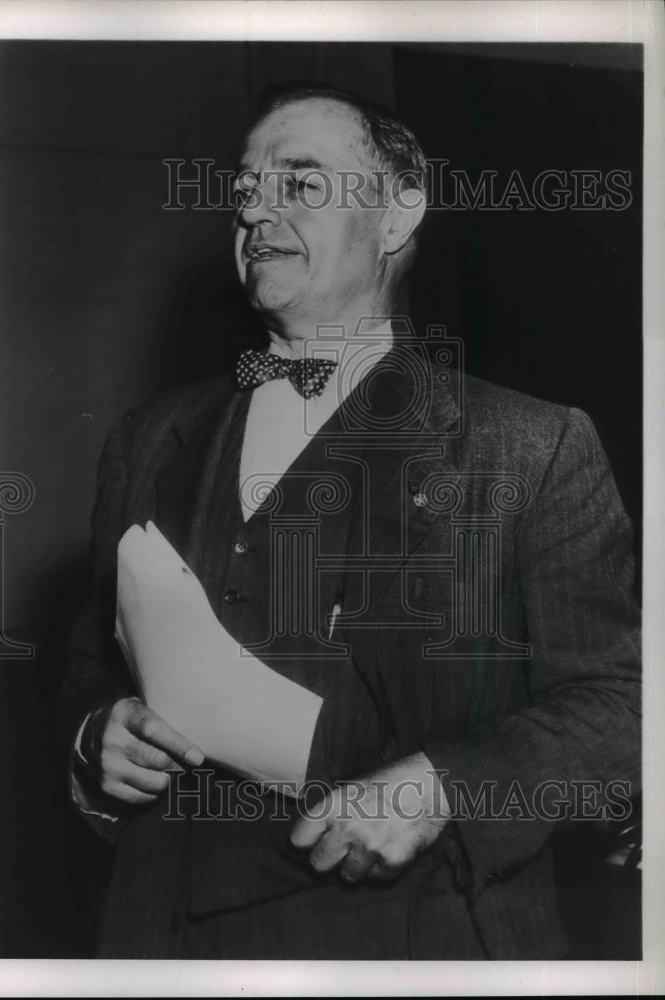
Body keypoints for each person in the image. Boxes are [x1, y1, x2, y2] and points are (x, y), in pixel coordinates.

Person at [58, 84, 641, 959]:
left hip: (413, 943)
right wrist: (95, 741)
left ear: (400, 213)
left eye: (299, 183)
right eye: (245, 189)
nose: (255, 210)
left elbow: (620, 710)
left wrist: (442, 788)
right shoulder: (150, 437)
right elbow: (87, 668)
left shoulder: (533, 446)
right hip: (156, 941)